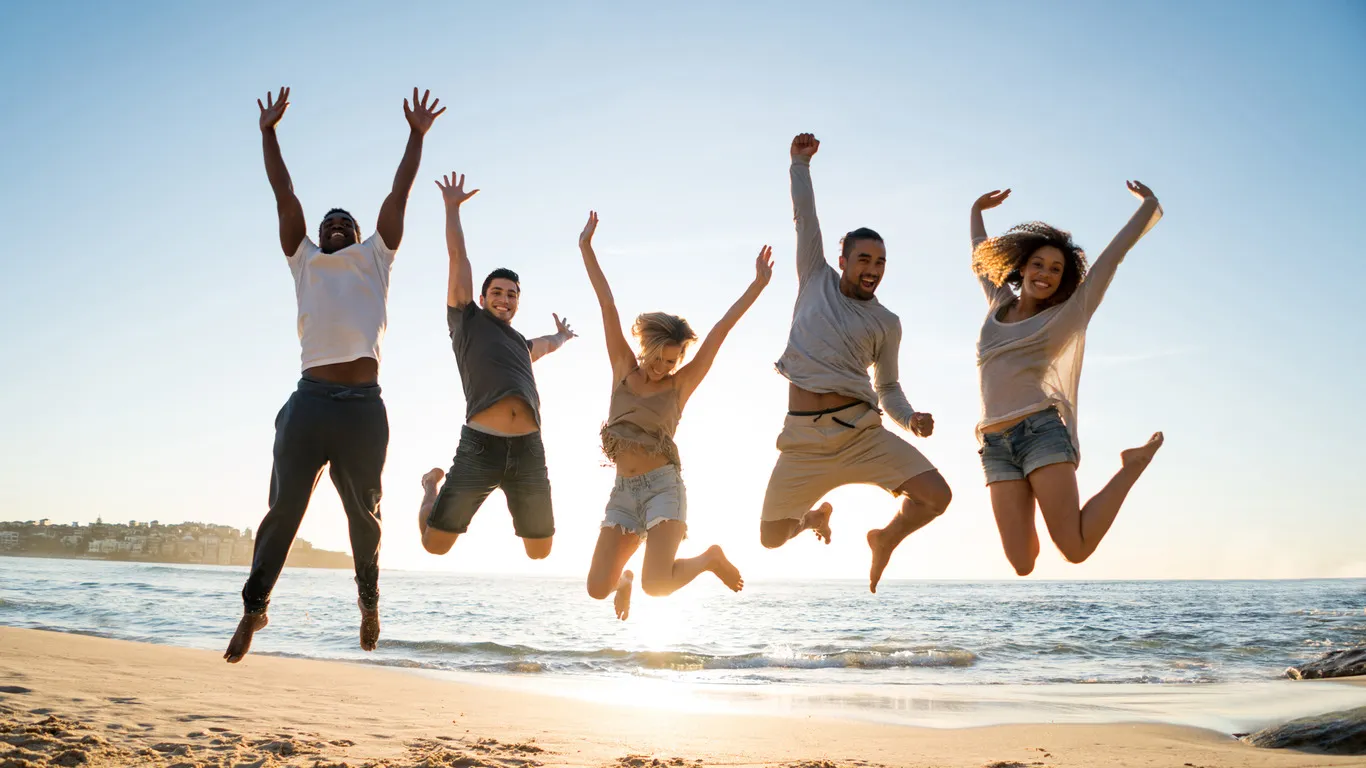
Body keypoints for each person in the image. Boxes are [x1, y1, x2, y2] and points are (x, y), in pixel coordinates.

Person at [225, 87, 444, 663]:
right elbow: (283, 193)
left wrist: (416, 137)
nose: (339, 225)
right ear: (317, 236)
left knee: (365, 513)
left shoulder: (377, 256)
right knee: (284, 510)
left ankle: (368, 600)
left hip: (363, 409)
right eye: (331, 222)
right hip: (311, 401)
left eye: (347, 221)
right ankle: (254, 608)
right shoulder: (303, 260)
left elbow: (399, 193)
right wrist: (268, 132)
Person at [759, 134, 951, 593]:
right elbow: (806, 218)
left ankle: (885, 537)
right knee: (769, 538)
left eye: (881, 261)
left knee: (937, 496)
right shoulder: (814, 277)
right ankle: (814, 517)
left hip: (861, 433)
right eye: (864, 258)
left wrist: (910, 420)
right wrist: (799, 164)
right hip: (803, 441)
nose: (873, 267)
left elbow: (888, 388)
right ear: (843, 260)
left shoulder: (887, 322)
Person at [969, 184, 1165, 576]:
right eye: (1039, 264)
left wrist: (1148, 207)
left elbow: (1112, 258)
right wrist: (976, 209)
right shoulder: (998, 302)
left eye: (1056, 270)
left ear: (1065, 279)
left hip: (1039, 433)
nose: (1045, 274)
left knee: (1074, 549)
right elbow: (979, 255)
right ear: (1022, 267)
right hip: (994, 443)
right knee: (1022, 563)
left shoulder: (1066, 317)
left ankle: (1130, 467)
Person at [578, 211, 764, 620]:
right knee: (596, 588)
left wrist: (756, 285)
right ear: (645, 348)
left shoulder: (679, 386)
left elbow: (719, 331)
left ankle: (709, 559)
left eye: (673, 360)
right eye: (659, 358)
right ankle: (623, 579)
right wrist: (586, 247)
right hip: (623, 493)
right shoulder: (623, 371)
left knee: (657, 585)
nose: (663, 367)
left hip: (664, 488)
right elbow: (607, 303)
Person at [416, 172, 576, 560]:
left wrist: (562, 337)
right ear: (484, 297)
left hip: (528, 450)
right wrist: (452, 209)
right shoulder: (467, 322)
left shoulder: (520, 344)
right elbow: (459, 258)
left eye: (512, 295)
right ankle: (430, 489)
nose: (505, 299)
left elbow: (547, 346)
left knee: (540, 551)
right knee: (434, 546)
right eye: (498, 293)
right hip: (480, 447)